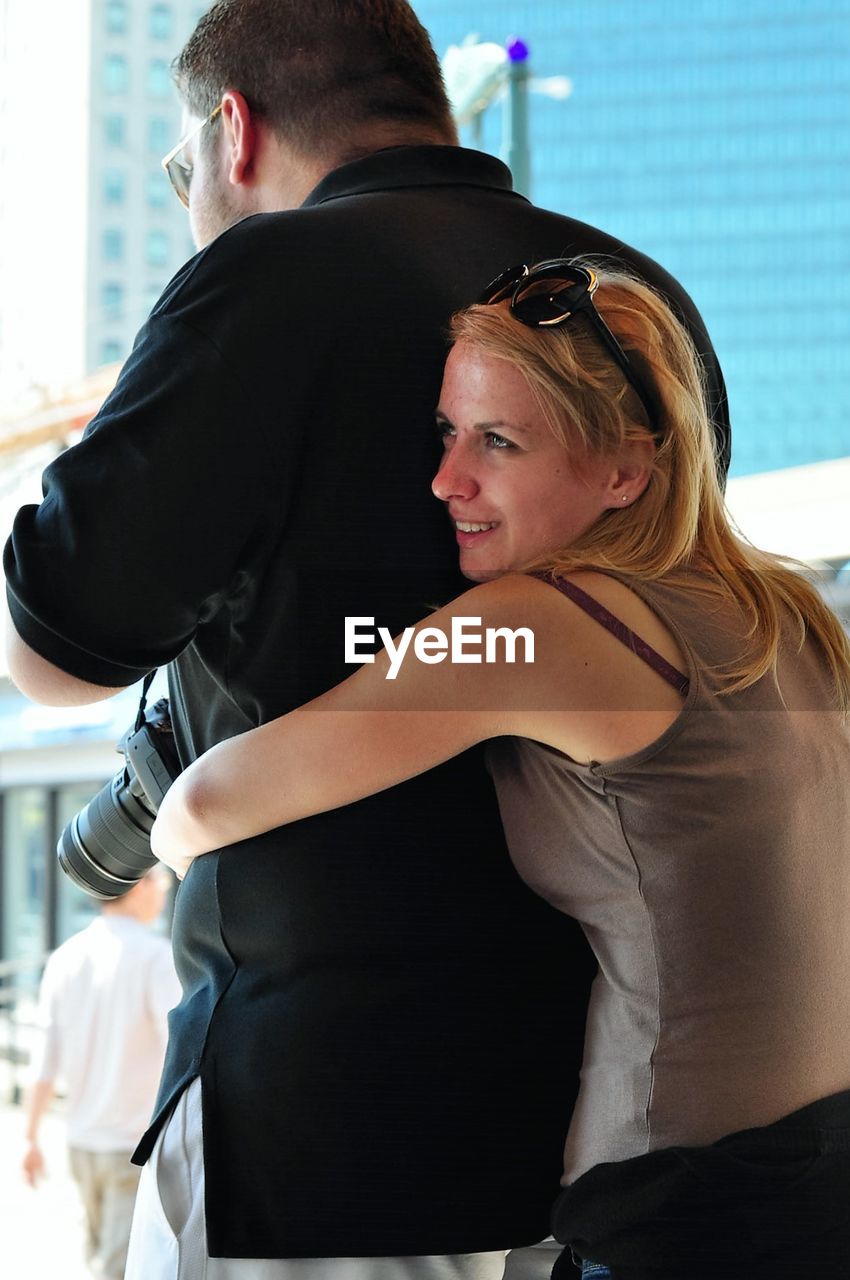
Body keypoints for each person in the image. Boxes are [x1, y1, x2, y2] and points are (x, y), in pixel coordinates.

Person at [3, 1, 730, 1274]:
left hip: (330, 1109)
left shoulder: (269, 271)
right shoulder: (630, 296)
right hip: (612, 1114)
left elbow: (62, 643)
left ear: (235, 129)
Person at [149, 259, 850, 1280]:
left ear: (625, 468)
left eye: (498, 441)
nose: (446, 480)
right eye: (447, 432)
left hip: (683, 1218)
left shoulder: (544, 621)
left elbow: (204, 801)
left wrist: (162, 835)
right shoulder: (787, 611)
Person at [22, 866, 180, 1280]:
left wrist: (31, 1138)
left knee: (98, 1261)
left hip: (79, 1141)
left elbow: (45, 1059)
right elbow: (180, 1047)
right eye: (160, 881)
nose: (164, 892)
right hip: (132, 1143)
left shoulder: (66, 957)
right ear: (139, 887)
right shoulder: (155, 956)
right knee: (121, 1268)